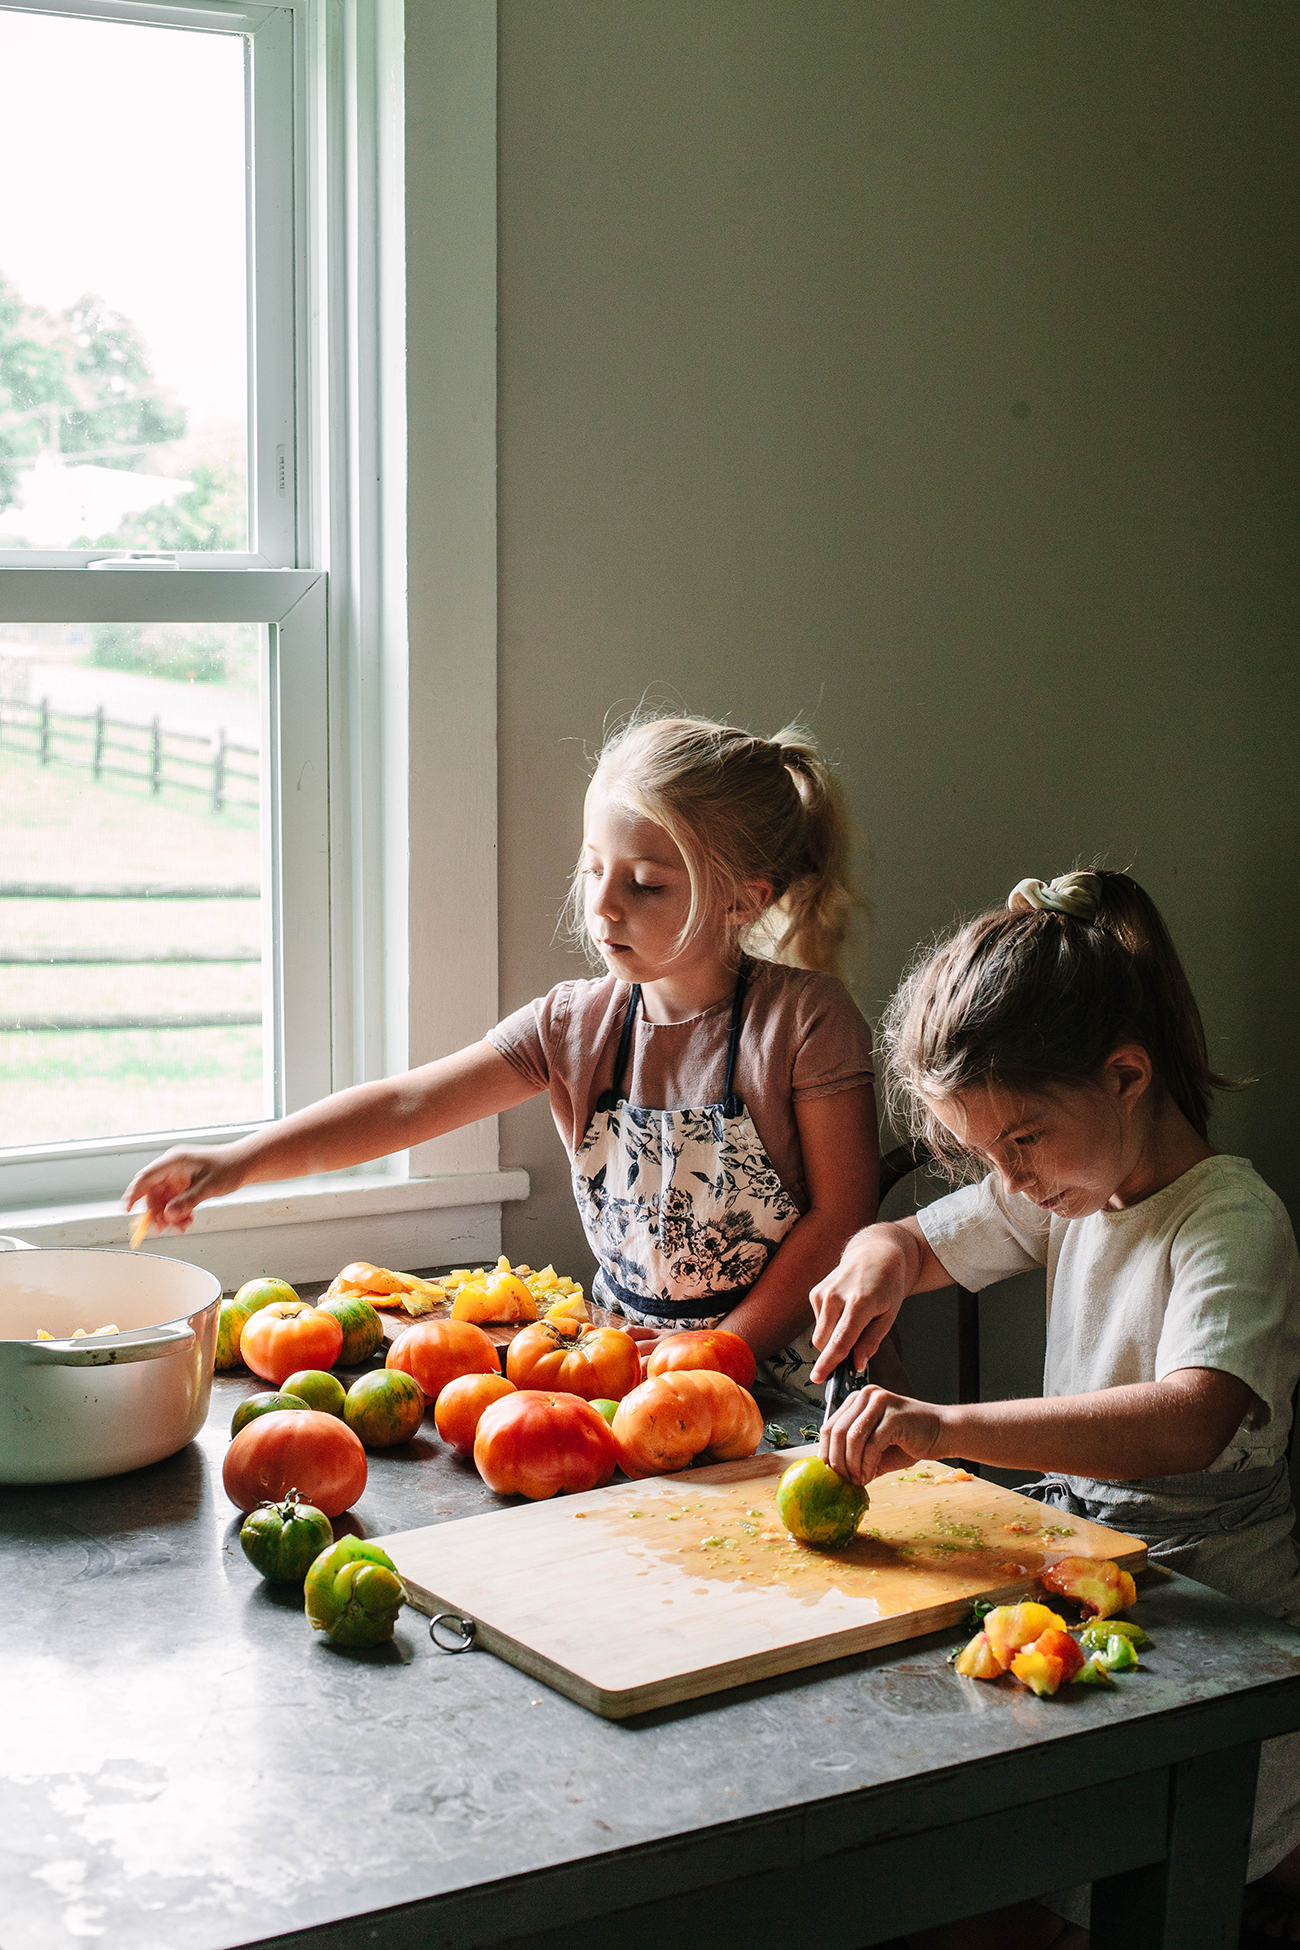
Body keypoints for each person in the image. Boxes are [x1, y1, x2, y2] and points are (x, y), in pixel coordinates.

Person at [808, 868, 1300, 1950]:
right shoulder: (1074, 1185)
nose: (1010, 1180)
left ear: (1126, 1075)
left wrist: (938, 1430)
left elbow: (1188, 1419)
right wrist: (874, 1253)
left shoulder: (1227, 1221)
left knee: (1173, 1875)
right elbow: (917, 1239)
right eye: (984, 1155)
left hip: (1226, 1640)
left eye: (1020, 1141)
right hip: (1104, 1589)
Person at [126, 714, 878, 1398]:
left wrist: (715, 1354)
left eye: (646, 883)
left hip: (801, 1382)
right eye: (593, 869)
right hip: (624, 1376)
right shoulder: (572, 1026)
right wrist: (237, 1162)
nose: (604, 905)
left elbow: (841, 1219)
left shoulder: (806, 1021)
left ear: (742, 900)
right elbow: (408, 1104)